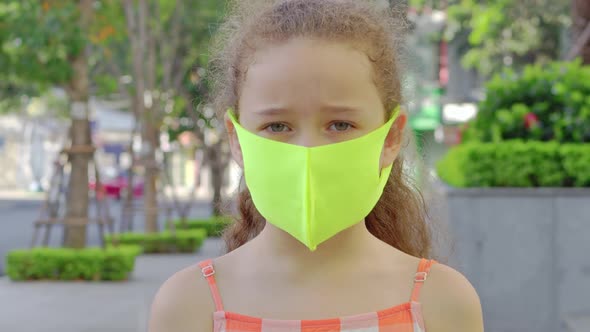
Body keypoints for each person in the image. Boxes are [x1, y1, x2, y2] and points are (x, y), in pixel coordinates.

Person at [149, 1, 484, 331]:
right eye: (277, 126)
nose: (308, 149)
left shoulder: (442, 302)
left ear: (390, 138)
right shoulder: (188, 307)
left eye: (339, 125)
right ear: (237, 140)